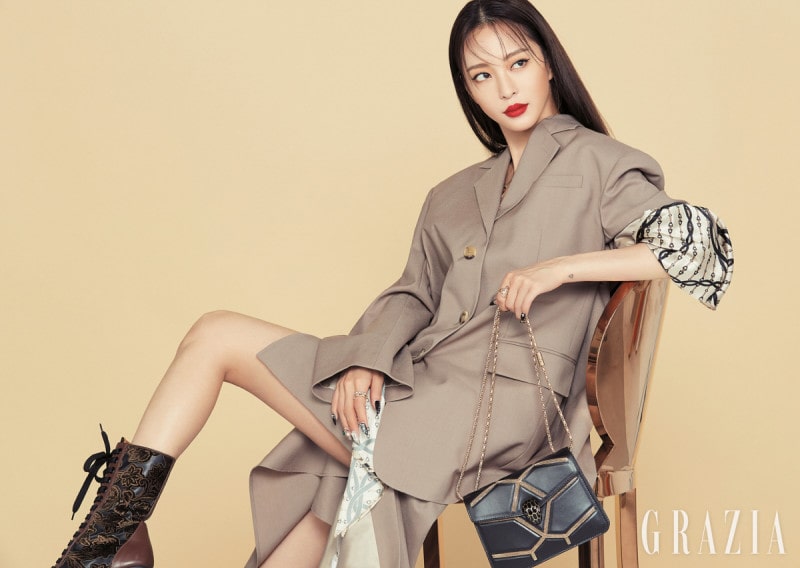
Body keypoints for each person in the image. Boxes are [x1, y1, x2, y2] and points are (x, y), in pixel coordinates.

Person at [52, 1, 733, 567]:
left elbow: (702, 247)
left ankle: (105, 548)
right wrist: (366, 359)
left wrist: (560, 268)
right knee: (235, 363)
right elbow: (412, 294)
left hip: (508, 414)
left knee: (228, 345)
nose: (506, 87)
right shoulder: (453, 195)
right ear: (468, 91)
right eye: (483, 75)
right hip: (422, 388)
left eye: (518, 63)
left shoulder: (599, 163)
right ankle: (112, 545)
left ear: (548, 63)